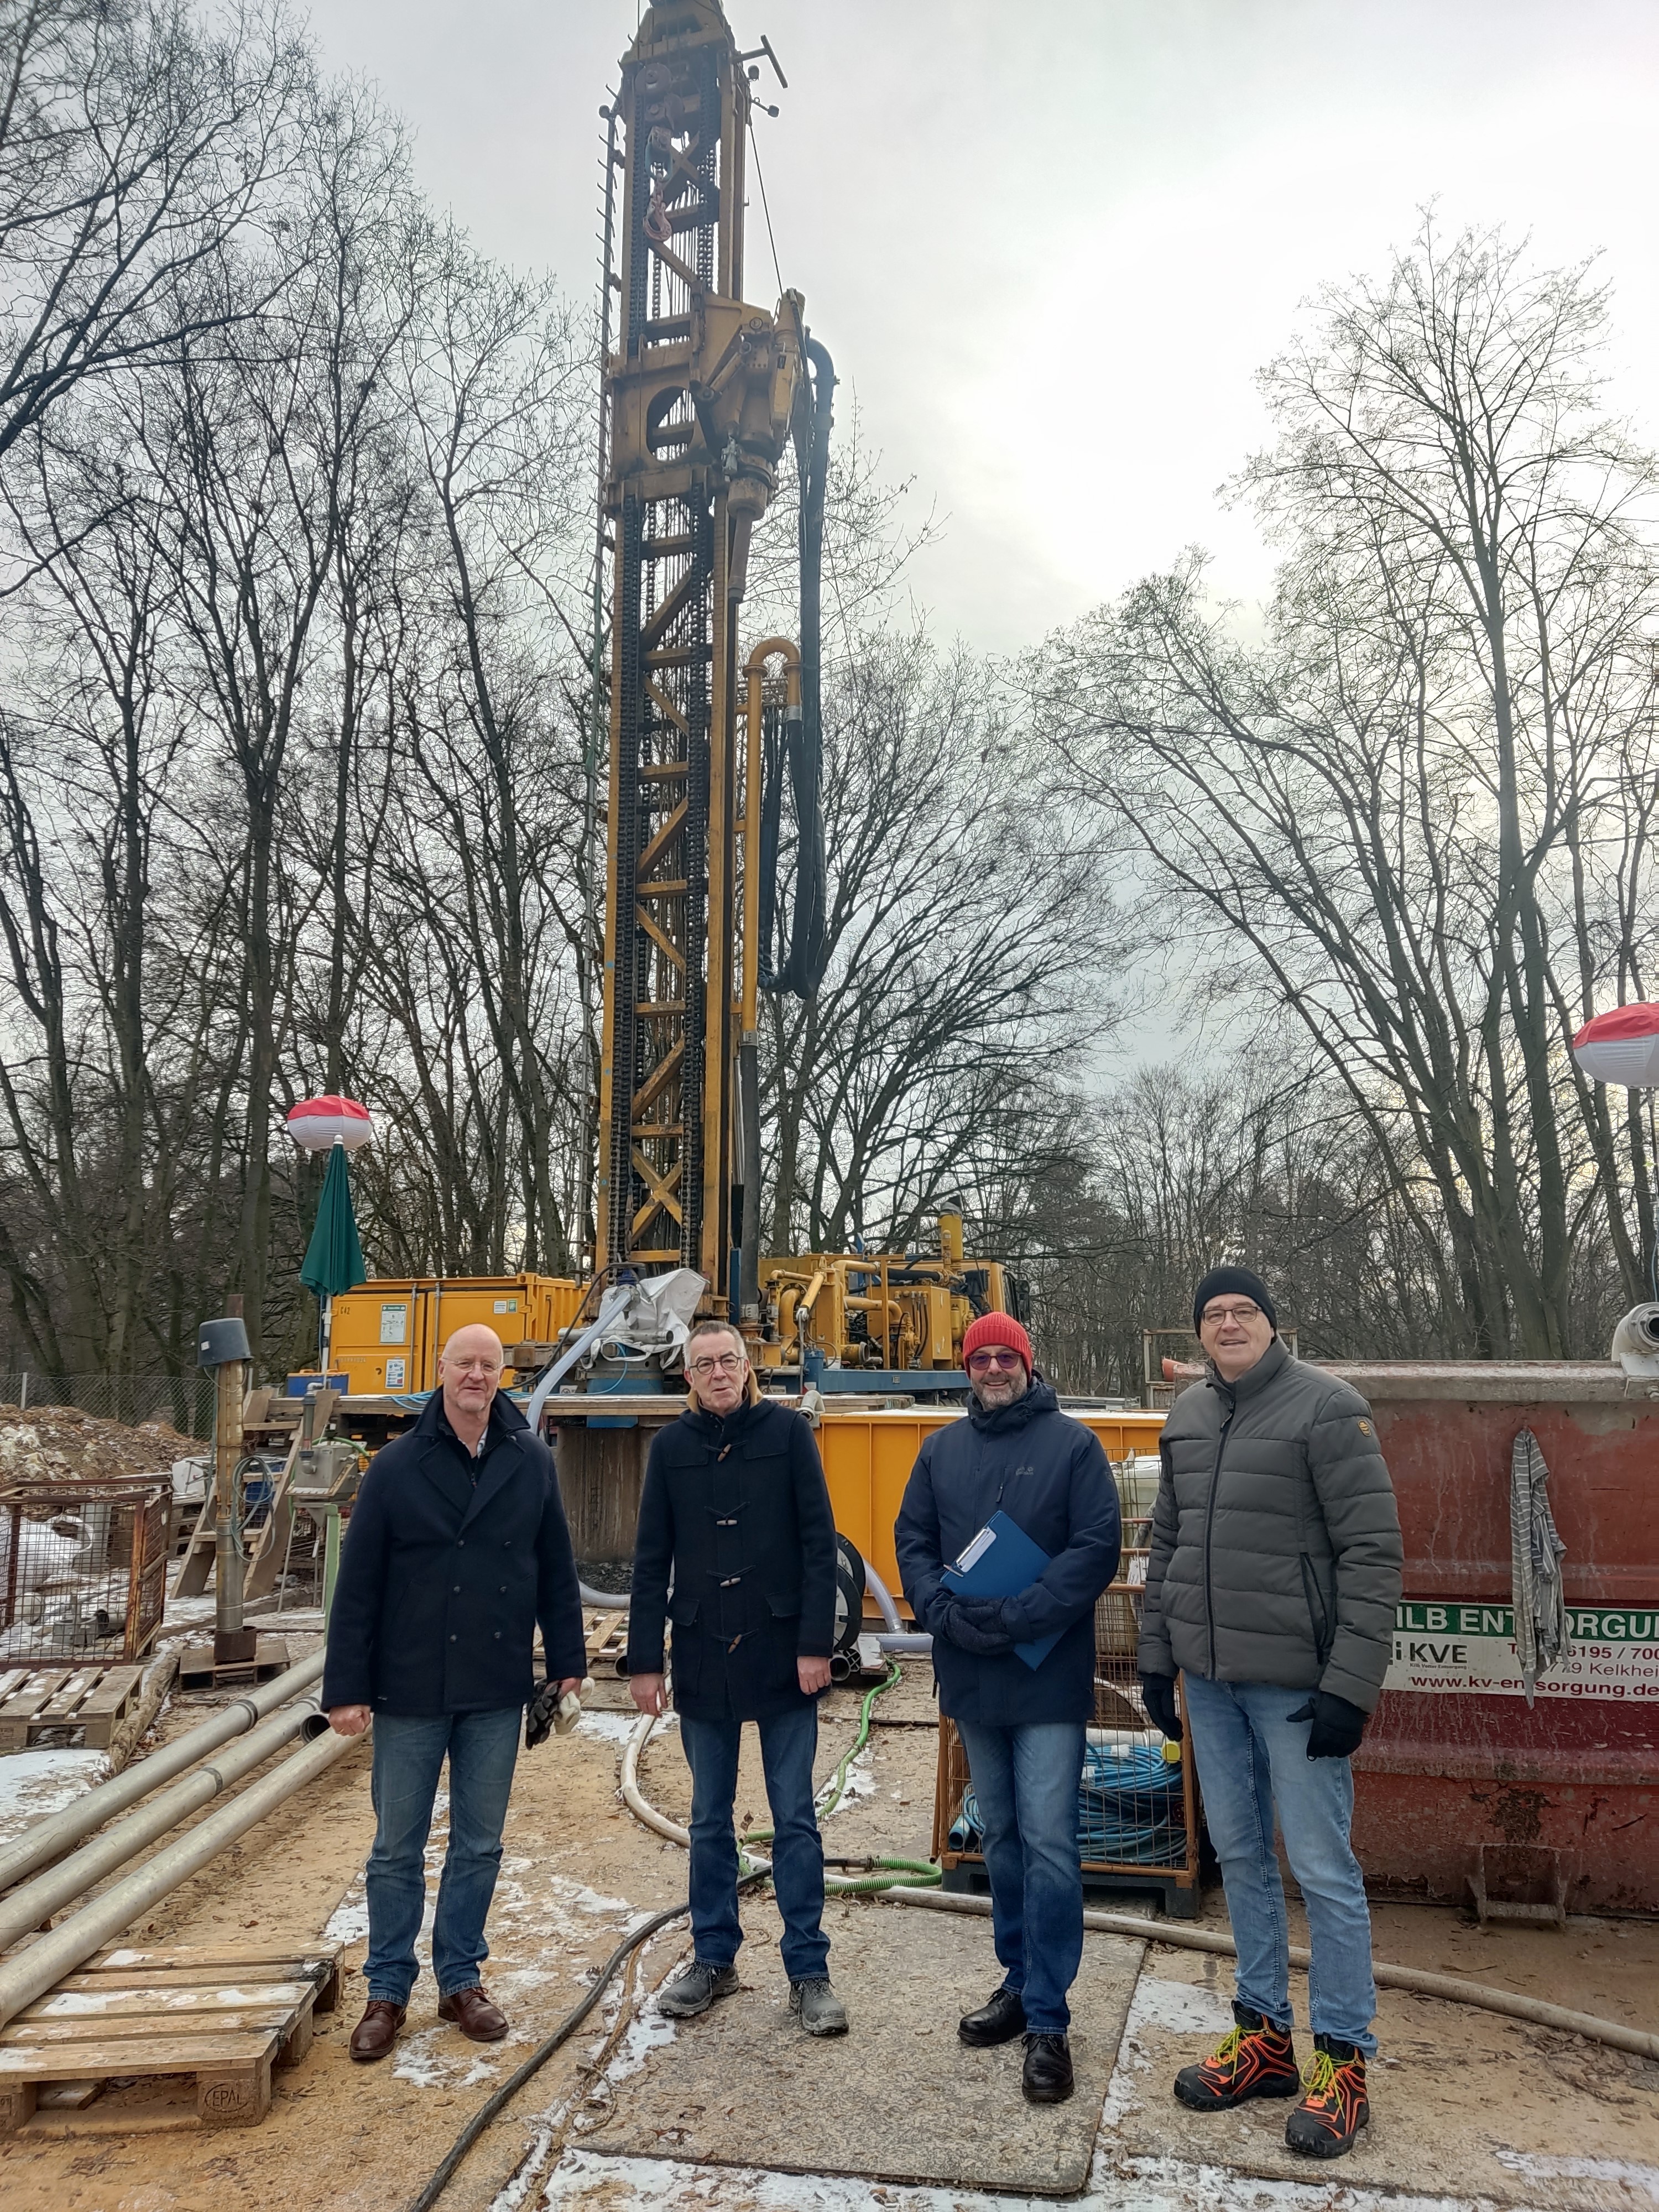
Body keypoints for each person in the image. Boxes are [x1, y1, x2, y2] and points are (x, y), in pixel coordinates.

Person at [1138, 1266, 1402, 2160]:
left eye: (1242, 1310)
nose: (1227, 1324)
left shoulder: (1329, 1410)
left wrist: (1350, 1687)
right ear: (1201, 1334)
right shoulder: (1189, 1416)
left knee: (1323, 1869)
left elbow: (1372, 1552)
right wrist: (1154, 1655)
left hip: (1298, 1687)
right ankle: (1263, 2038)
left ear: (1271, 1324)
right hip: (1209, 1682)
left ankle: (1345, 2059)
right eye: (1212, 1314)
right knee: (1242, 1854)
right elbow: (1167, 1542)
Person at [324, 1322, 586, 2062]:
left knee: (478, 1844)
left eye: (488, 1365)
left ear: (503, 1377)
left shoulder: (530, 1461)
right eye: (464, 1364)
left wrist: (568, 1662)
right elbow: (359, 1587)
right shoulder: (398, 1466)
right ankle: (387, 1990)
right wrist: (347, 1687)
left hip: (494, 1687)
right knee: (395, 1847)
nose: (476, 1376)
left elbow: (555, 1570)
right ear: (442, 1372)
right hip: (409, 1687)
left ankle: (461, 1980)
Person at [894, 1312, 1121, 2106]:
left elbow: (1098, 1546)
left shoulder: (1074, 1447)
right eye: (981, 1358)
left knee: (1054, 1842)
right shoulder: (940, 1451)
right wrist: (937, 1611)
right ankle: (1020, 1982)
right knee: (1005, 1839)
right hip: (973, 1676)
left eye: (1006, 1356)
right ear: (967, 1369)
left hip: (1046, 1673)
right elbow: (912, 1540)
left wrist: (1022, 1614)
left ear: (1029, 1364)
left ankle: (1052, 2022)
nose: (994, 1368)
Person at [626, 1318, 847, 2036]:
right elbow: (650, 1559)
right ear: (687, 1377)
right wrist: (642, 1659)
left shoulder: (790, 1440)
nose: (718, 1373)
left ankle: (808, 1970)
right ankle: (713, 1958)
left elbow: (821, 1545)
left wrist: (817, 1644)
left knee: (794, 1818)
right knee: (708, 1820)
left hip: (783, 1652)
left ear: (749, 1370)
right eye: (704, 1364)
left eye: (729, 1361)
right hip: (699, 1653)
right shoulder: (670, 1450)